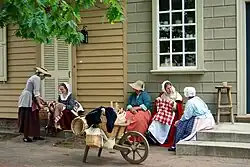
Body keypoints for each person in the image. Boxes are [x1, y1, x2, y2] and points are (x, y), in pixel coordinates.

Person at [168, 87, 215, 151]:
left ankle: (175, 144)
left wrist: (179, 121)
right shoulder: (198, 99)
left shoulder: (190, 102)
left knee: (181, 125)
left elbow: (187, 116)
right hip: (209, 119)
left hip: (201, 121)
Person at [18, 67, 51, 142]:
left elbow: (36, 94)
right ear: (41, 74)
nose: (44, 78)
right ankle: (26, 136)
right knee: (28, 117)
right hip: (27, 99)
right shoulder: (36, 78)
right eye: (44, 76)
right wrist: (40, 104)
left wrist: (41, 99)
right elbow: (36, 92)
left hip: (31, 97)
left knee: (35, 116)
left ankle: (36, 135)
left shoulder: (34, 78)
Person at [148, 80, 183, 147]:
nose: (169, 89)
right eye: (168, 88)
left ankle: (163, 138)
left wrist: (175, 105)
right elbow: (158, 105)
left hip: (172, 113)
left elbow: (179, 106)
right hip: (163, 112)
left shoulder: (176, 94)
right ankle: (153, 136)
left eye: (170, 87)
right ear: (165, 89)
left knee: (167, 122)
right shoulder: (162, 95)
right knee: (156, 119)